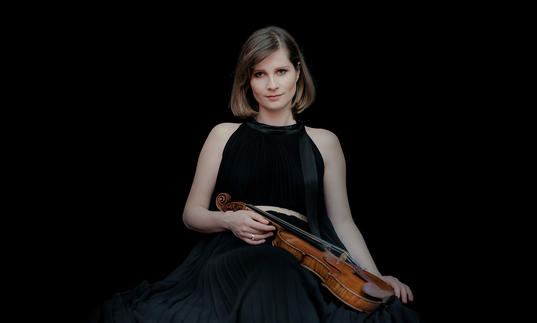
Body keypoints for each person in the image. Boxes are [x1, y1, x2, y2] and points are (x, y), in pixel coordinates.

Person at [88, 25, 419, 322]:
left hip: (304, 259)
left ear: (298, 72)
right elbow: (192, 214)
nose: (272, 84)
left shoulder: (324, 142)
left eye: (281, 71)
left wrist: (375, 277)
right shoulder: (223, 134)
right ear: (247, 79)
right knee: (268, 267)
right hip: (230, 254)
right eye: (259, 74)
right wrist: (229, 220)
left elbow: (343, 222)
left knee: (288, 272)